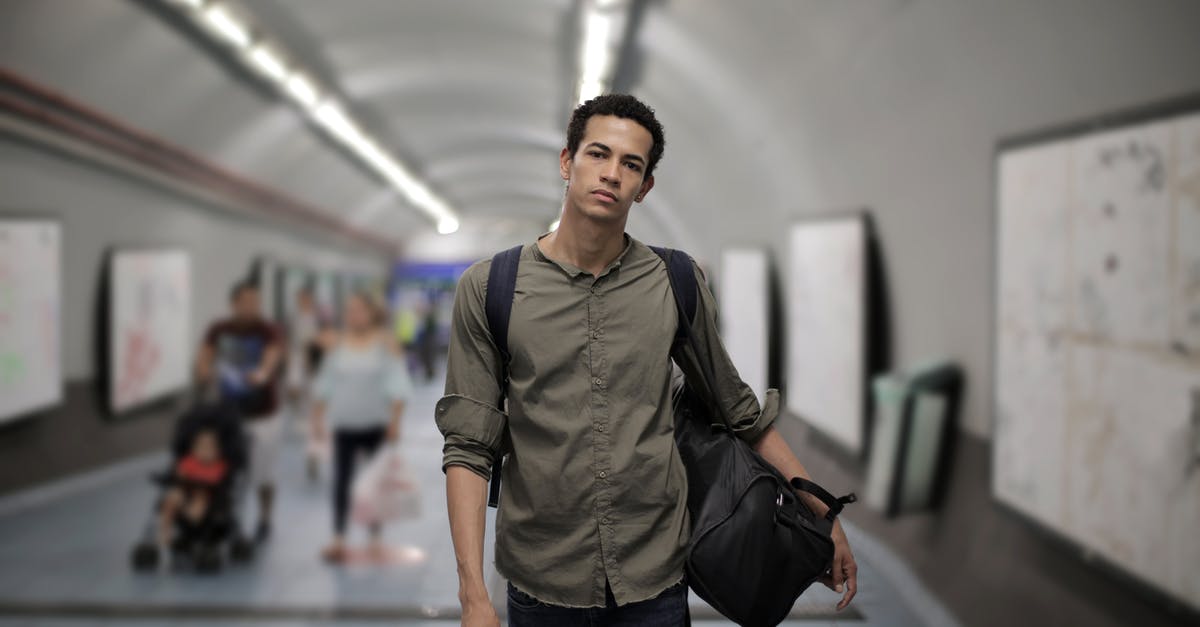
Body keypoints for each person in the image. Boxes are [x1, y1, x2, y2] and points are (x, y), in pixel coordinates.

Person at [437, 94, 858, 627]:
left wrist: (824, 516)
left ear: (645, 185)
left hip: (654, 582)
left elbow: (739, 411)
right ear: (567, 163)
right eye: (597, 154)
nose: (611, 173)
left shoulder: (675, 281)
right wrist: (473, 595)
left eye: (630, 164)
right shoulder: (491, 288)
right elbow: (469, 448)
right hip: (540, 583)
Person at [309, 290, 413, 562]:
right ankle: (339, 537)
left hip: (375, 424)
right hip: (345, 424)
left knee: (374, 483)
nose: (354, 315)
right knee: (342, 481)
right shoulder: (338, 345)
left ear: (370, 314)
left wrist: (395, 421)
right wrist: (318, 416)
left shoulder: (385, 345)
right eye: (350, 310)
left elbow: (398, 384)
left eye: (359, 310)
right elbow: (326, 382)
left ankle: (375, 536)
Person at [195, 280, 284, 542]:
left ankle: (265, 515)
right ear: (233, 304)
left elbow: (272, 354)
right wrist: (203, 370)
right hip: (229, 412)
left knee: (262, 473)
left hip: (263, 413)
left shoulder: (268, 330)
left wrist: (263, 373)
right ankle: (223, 514)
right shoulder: (219, 329)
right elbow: (205, 354)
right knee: (225, 466)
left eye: (256, 302)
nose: (252, 307)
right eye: (246, 302)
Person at [158, 427, 227, 546]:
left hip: (206, 497)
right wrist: (180, 476)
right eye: (201, 447)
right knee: (173, 495)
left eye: (209, 448)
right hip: (186, 493)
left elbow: (215, 480)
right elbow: (179, 474)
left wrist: (197, 480)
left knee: (200, 501)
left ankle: (192, 527)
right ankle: (165, 531)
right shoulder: (189, 462)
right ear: (194, 449)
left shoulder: (219, 465)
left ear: (217, 451)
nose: (205, 451)